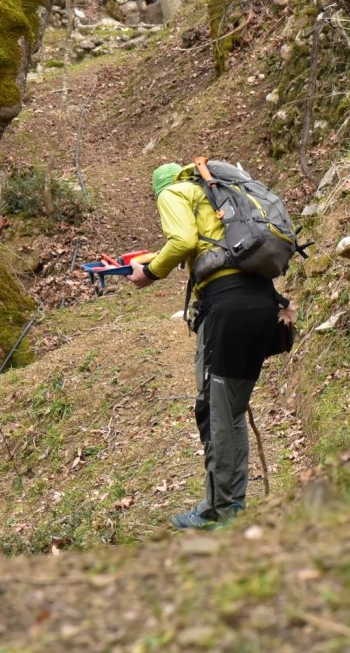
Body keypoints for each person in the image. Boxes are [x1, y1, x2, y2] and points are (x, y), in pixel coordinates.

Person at [129, 161, 296, 530]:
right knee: (233, 409)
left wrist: (151, 273)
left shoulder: (173, 192)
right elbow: (204, 243)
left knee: (215, 409)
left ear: (160, 188)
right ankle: (233, 504)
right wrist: (156, 259)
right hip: (262, 303)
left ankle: (218, 511)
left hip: (227, 308)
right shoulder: (214, 192)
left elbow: (183, 241)